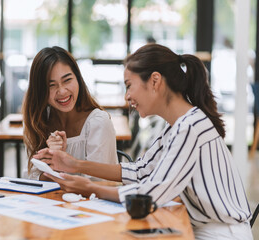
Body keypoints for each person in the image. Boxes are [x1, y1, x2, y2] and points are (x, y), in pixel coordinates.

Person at [33, 44, 253, 239]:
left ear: (155, 81)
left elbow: (150, 193)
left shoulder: (190, 127)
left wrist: (89, 187)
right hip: (200, 227)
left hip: (221, 233)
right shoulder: (176, 125)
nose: (127, 96)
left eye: (129, 85)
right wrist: (75, 165)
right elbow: (141, 170)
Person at [22, 46, 118, 181]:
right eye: (51, 85)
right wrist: (55, 159)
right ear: (40, 91)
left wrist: (62, 163)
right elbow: (33, 181)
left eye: (67, 80)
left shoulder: (98, 123)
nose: (62, 91)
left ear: (78, 78)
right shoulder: (39, 123)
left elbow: (97, 184)